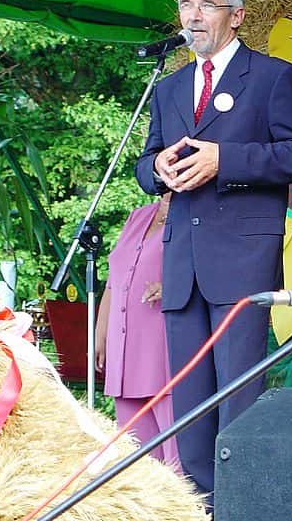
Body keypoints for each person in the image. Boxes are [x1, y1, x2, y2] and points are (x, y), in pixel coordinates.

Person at [135, 0, 292, 505]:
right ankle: (203, 506)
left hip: (241, 261)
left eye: (206, 6)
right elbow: (146, 163)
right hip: (183, 264)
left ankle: (245, 506)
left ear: (236, 16)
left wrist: (226, 160)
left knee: (239, 395)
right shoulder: (169, 87)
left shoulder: (272, 77)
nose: (193, 17)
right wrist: (157, 169)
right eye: (185, 6)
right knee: (190, 404)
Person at [95, 192, 180, 468]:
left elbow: (206, 272)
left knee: (177, 462)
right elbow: (114, 280)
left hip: (163, 352)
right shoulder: (138, 216)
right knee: (137, 463)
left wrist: (172, 287)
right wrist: (100, 333)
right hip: (123, 353)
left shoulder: (195, 217)